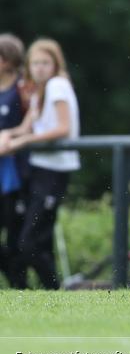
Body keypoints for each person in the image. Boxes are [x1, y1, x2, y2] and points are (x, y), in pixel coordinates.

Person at [0, 38, 79, 289]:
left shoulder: (57, 85)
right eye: (35, 63)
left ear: (56, 65)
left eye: (45, 63)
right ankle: (50, 292)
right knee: (34, 241)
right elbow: (24, 128)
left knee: (28, 242)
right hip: (39, 168)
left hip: (54, 170)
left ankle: (55, 290)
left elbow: (63, 128)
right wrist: (8, 135)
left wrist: (23, 142)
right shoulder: (38, 91)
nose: (40, 68)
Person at [0, 34, 27, 288]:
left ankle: (21, 286)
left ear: (7, 61)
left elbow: (34, 125)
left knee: (16, 236)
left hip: (15, 172)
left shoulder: (22, 89)